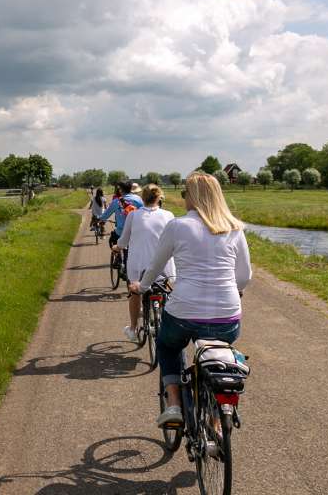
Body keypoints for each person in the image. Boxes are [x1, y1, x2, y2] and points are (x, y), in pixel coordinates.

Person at [138, 173, 251, 428]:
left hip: (184, 312)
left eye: (184, 193)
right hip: (227, 316)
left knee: (168, 347)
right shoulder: (234, 227)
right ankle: (215, 423)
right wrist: (235, 290)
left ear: (192, 196)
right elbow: (244, 276)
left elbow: (156, 266)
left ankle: (175, 404)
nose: (184, 198)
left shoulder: (177, 226)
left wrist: (142, 286)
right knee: (219, 358)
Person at [115, 184, 175, 343]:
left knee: (135, 292)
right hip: (164, 266)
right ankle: (167, 320)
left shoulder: (133, 216)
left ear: (142, 198)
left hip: (138, 266)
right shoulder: (168, 215)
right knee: (167, 292)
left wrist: (117, 247)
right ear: (159, 198)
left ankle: (133, 329)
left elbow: (124, 239)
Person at [99, 182, 143, 248]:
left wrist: (99, 218)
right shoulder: (139, 199)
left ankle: (117, 256)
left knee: (112, 241)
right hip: (136, 231)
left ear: (121, 190)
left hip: (121, 232)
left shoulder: (116, 201)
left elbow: (105, 215)